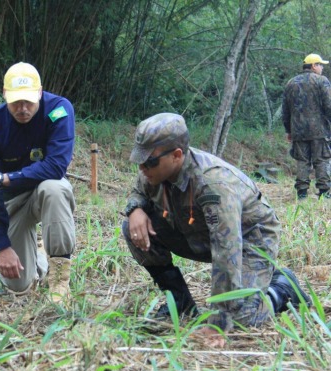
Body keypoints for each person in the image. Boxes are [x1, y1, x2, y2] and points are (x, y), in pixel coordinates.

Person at [122, 113, 312, 348]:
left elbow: (227, 250)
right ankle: (180, 302)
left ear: (177, 155)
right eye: (139, 160)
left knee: (242, 319)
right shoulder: (154, 172)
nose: (141, 168)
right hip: (198, 234)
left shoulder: (213, 185)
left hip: (249, 240)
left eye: (148, 162)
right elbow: (138, 190)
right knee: (131, 227)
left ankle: (283, 288)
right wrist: (135, 210)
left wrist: (218, 322)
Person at [0, 62, 76, 303]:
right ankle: (39, 257)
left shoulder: (59, 110)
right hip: (13, 203)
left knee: (55, 187)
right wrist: (2, 247)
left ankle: (60, 279)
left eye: (29, 101)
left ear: (40, 92)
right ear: (4, 94)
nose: (23, 108)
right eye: (16, 102)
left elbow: (56, 166)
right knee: (18, 285)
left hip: (45, 193)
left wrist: (5, 179)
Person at [282, 53, 331, 200]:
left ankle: (302, 193)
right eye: (320, 65)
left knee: (302, 161)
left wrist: (288, 130)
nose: (322, 68)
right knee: (321, 159)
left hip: (298, 131)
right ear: (314, 66)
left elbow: (285, 110)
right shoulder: (322, 81)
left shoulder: (291, 83)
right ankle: (324, 193)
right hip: (319, 130)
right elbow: (329, 105)